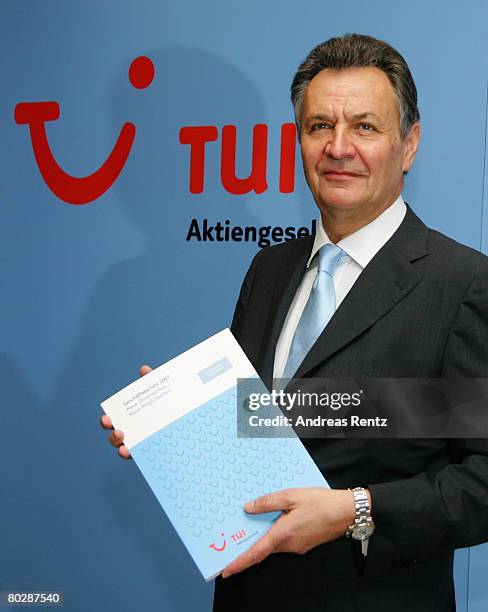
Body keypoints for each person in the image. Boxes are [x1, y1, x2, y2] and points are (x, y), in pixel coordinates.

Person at [101, 34, 488, 611]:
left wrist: (357, 511)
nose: (338, 148)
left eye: (364, 127)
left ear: (408, 145)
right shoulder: (270, 267)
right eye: (317, 127)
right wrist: (176, 429)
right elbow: (266, 424)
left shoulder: (462, 284)